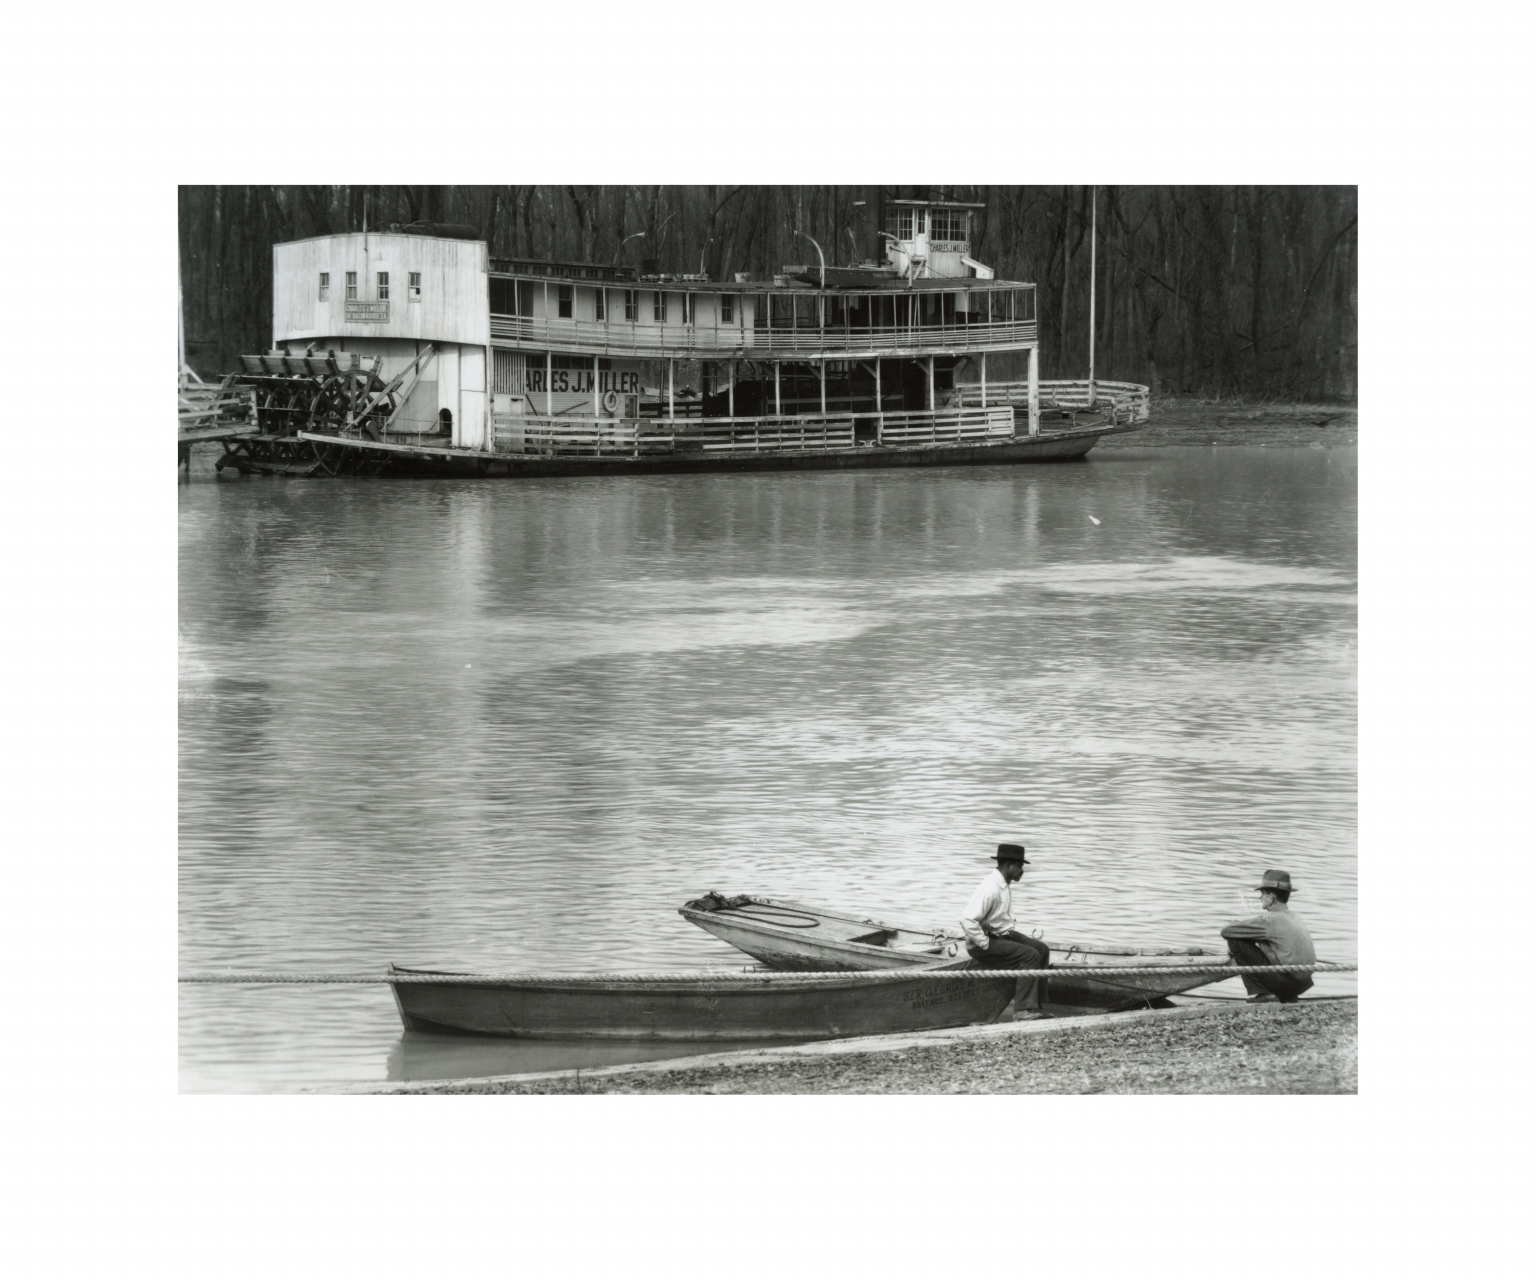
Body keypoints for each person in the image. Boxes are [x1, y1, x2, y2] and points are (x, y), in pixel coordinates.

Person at [961, 843, 1050, 1011]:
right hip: (984, 943)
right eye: (1019, 866)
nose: (1022, 870)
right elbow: (966, 920)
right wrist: (984, 943)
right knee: (1030, 956)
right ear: (1008, 865)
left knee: (1041, 949)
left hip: (1002, 935)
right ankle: (1024, 1009)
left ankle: (1036, 1004)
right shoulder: (990, 887)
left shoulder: (1004, 884)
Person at [1220, 870, 1316, 1003]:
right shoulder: (1295, 916)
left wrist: (1237, 932)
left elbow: (1226, 931)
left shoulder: (1270, 920)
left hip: (1287, 984)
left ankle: (1264, 992)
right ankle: (1285, 994)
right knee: (1247, 936)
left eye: (1262, 894)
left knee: (1235, 940)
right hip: (1302, 985)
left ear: (1271, 897)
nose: (1260, 898)